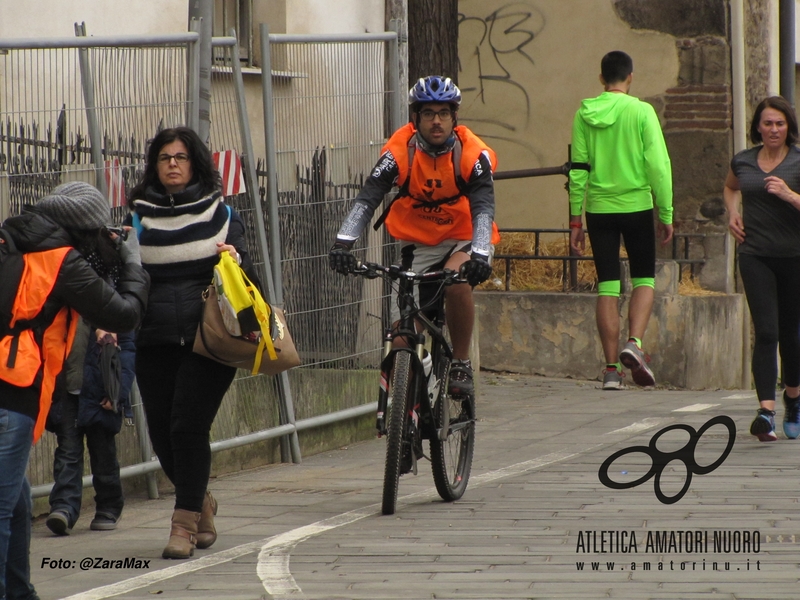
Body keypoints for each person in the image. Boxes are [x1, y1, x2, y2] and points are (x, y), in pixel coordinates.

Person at [0, 182, 148, 600]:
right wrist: (131, 261)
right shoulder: (63, 262)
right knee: (2, 505)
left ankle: (21, 592)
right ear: (84, 228)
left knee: (17, 501)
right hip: (13, 391)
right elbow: (124, 314)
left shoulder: (10, 240)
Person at [127, 126, 258, 559]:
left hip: (210, 339)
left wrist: (235, 258)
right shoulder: (137, 218)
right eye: (164, 158)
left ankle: (182, 526)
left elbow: (244, 276)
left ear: (195, 163)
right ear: (154, 166)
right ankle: (200, 500)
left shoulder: (221, 214)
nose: (172, 164)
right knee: (163, 434)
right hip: (153, 338)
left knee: (187, 425)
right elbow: (127, 278)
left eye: (180, 157)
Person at [328, 75, 499, 399]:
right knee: (403, 336)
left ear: (454, 117)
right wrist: (343, 242)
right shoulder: (400, 150)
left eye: (444, 113)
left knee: (457, 281)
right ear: (415, 118)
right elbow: (368, 198)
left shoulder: (471, 153)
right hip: (418, 243)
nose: (436, 121)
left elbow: (483, 207)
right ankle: (408, 413)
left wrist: (479, 255)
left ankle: (460, 362)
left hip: (464, 237)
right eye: (428, 114)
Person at [568, 51, 674, 390]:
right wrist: (666, 212)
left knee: (608, 286)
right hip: (637, 206)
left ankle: (611, 370)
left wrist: (574, 220)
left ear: (602, 79)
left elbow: (579, 169)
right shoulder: (642, 111)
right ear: (631, 77)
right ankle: (635, 344)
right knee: (644, 279)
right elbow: (658, 165)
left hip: (599, 210)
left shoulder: (584, 113)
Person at [724, 96, 800, 442]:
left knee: (792, 336)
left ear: (789, 127)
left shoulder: (798, 161)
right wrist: (733, 212)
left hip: (795, 257)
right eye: (768, 123)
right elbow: (730, 186)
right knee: (767, 332)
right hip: (754, 255)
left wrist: (789, 195)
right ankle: (766, 412)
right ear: (757, 126)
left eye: (780, 124)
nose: (773, 129)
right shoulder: (743, 161)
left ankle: (794, 399)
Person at [44, 319, 136, 536]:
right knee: (67, 452)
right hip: (66, 393)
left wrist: (118, 392)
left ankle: (109, 506)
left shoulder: (111, 308)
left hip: (100, 394)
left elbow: (128, 351)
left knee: (103, 452)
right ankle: (64, 507)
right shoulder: (63, 307)